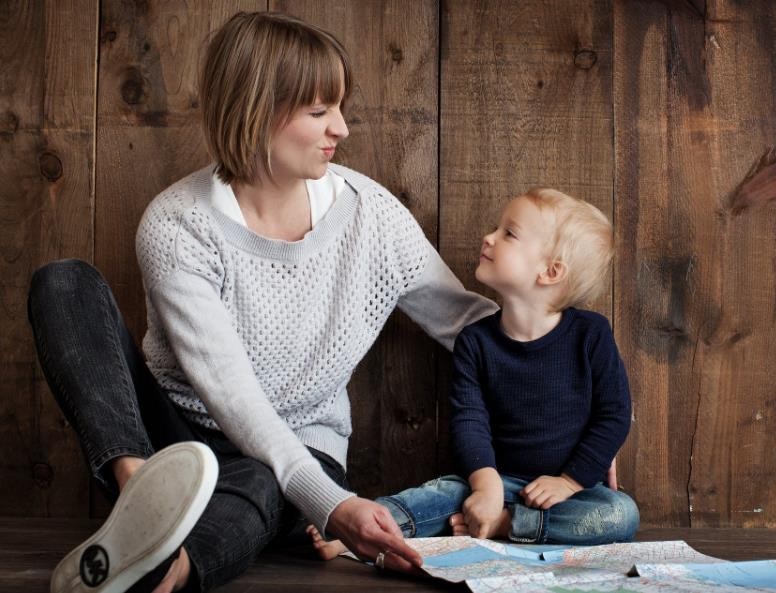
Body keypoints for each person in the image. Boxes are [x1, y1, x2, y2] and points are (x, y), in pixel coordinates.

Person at [27, 11, 498, 593]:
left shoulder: (372, 217)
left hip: (301, 452)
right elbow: (231, 394)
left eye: (339, 109)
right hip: (173, 439)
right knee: (63, 282)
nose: (342, 130)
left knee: (257, 479)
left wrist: (580, 390)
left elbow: (470, 323)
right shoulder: (178, 225)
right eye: (320, 111)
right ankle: (141, 497)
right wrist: (337, 508)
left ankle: (161, 569)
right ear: (256, 110)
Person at [310, 188, 638, 559]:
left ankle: (505, 525)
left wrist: (570, 481)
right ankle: (359, 530)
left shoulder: (590, 334)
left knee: (620, 515)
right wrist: (485, 486)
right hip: (496, 478)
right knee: (437, 496)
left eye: (508, 234)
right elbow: (470, 420)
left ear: (550, 271)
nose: (489, 237)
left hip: (568, 493)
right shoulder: (476, 342)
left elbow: (613, 415)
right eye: (496, 228)